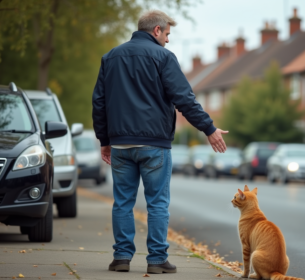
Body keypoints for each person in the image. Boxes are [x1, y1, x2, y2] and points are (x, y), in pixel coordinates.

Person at [92, 10, 228, 274]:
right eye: (167, 34)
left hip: (120, 144)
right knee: (157, 203)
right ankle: (156, 260)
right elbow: (184, 98)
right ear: (156, 30)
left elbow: (99, 102)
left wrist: (105, 140)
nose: (168, 40)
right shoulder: (164, 57)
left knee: (122, 202)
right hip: (155, 145)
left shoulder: (111, 57)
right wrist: (209, 128)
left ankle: (121, 257)